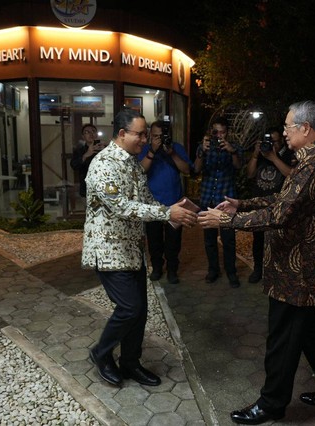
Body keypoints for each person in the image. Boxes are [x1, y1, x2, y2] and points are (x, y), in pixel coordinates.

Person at [198, 101, 315, 424]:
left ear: (306, 129)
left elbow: (280, 214)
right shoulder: (312, 159)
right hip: (299, 269)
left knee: (282, 338)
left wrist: (227, 222)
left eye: (288, 126)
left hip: (299, 272)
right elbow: (284, 199)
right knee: (310, 333)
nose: (283, 131)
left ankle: (271, 404)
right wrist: (241, 203)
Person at [82, 109, 198, 387]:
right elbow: (121, 207)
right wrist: (167, 214)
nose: (145, 139)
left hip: (132, 251)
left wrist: (174, 213)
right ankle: (100, 352)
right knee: (129, 308)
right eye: (141, 134)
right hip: (108, 251)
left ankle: (131, 363)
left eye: (146, 133)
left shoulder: (133, 164)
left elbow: (147, 199)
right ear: (122, 134)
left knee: (140, 312)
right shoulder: (104, 164)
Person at [138, 120, 194, 285]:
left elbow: (187, 170)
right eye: (155, 136)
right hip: (152, 204)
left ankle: (172, 270)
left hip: (174, 203)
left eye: (162, 136)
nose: (159, 139)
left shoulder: (176, 148)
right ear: (149, 135)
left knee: (173, 241)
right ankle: (156, 268)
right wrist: (153, 151)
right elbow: (141, 171)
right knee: (154, 240)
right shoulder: (145, 149)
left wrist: (171, 153)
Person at [193, 117, 243, 288]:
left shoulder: (234, 148)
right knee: (209, 239)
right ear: (211, 132)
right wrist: (202, 152)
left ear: (227, 132)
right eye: (216, 132)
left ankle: (231, 272)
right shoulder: (204, 147)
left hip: (226, 200)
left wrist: (232, 151)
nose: (219, 135)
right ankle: (213, 269)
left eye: (222, 132)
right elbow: (197, 169)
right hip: (208, 198)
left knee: (228, 239)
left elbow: (238, 167)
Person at [245, 127, 295, 283]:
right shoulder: (260, 155)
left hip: (279, 206)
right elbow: (249, 174)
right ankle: (258, 269)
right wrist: (255, 155)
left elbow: (292, 176)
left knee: (279, 239)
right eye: (267, 141)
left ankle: (279, 271)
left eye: (273, 141)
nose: (270, 144)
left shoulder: (289, 155)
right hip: (259, 204)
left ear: (281, 141)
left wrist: (274, 158)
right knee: (258, 239)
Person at [70, 123, 107, 197]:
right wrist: (86, 155)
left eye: (93, 131)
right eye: (87, 132)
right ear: (83, 137)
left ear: (97, 134)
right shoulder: (79, 151)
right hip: (87, 189)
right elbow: (74, 166)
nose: (91, 134)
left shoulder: (105, 148)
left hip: (105, 188)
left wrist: (107, 151)